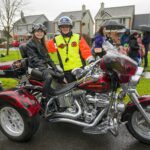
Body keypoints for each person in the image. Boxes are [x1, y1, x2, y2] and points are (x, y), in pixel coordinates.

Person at [47, 16, 94, 83]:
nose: (65, 28)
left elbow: (85, 50)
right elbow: (52, 55)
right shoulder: (54, 40)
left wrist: (90, 60)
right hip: (65, 70)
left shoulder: (78, 37)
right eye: (62, 27)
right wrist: (56, 65)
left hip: (79, 68)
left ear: (70, 27)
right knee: (70, 90)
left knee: (83, 88)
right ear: (60, 28)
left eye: (67, 26)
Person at [26, 23, 63, 100]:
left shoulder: (42, 43)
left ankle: (57, 92)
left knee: (60, 75)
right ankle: (44, 97)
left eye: (41, 32)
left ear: (44, 33)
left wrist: (54, 67)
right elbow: (34, 59)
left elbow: (47, 58)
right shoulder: (30, 44)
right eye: (37, 31)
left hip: (42, 66)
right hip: (34, 67)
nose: (39, 33)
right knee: (48, 77)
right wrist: (44, 69)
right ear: (33, 32)